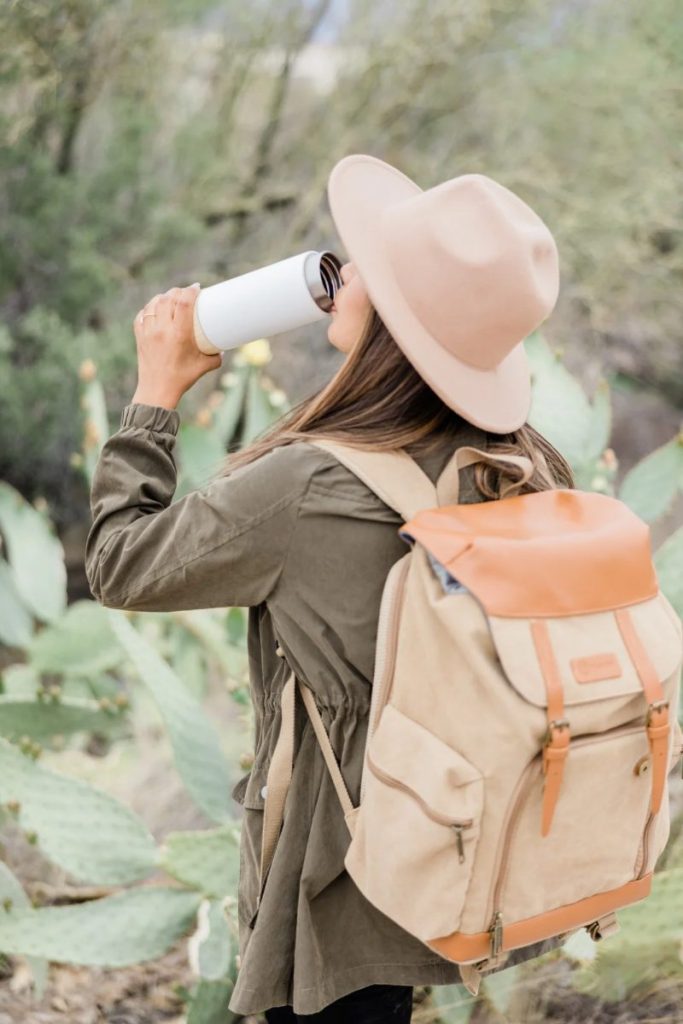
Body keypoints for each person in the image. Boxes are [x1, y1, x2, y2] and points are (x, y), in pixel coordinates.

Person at [85, 154, 575, 1022]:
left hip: (333, 860)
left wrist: (154, 396)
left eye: (364, 269)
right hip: (455, 829)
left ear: (391, 319)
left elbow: (121, 565)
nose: (340, 272)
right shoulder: (525, 466)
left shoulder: (308, 485)